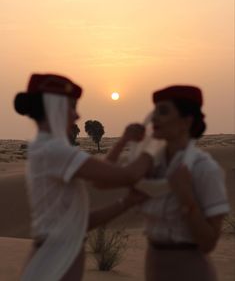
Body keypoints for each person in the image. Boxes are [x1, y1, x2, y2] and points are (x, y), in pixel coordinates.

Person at [14, 73, 155, 281]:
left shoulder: (45, 149)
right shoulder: (55, 151)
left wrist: (127, 201)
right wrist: (156, 144)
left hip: (55, 259)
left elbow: (93, 194)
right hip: (53, 263)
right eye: (72, 107)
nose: (77, 116)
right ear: (56, 107)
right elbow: (128, 175)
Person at [108, 85, 230, 281]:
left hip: (190, 271)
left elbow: (208, 243)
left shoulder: (204, 169)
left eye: (163, 111)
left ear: (186, 121)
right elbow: (106, 180)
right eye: (155, 111)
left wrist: (187, 199)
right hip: (154, 267)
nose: (154, 117)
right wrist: (124, 141)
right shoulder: (150, 167)